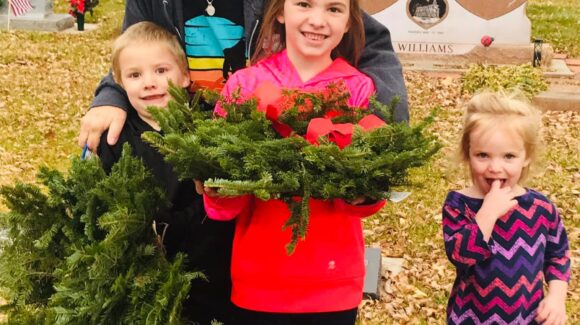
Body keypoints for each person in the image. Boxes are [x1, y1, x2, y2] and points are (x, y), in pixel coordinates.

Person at [201, 0, 386, 324]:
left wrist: (363, 192)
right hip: (259, 283)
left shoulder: (358, 89)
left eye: (334, 9)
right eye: (304, 4)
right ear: (281, 11)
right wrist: (218, 186)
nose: (318, 20)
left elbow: (365, 193)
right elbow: (223, 205)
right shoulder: (245, 86)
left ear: (348, 22)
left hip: (333, 283)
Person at [78, 0, 409, 151]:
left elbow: (370, 43)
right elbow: (135, 46)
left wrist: (384, 134)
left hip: (261, 147)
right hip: (188, 138)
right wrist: (112, 95)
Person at [97, 21, 235, 325]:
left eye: (161, 71)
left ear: (185, 76)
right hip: (144, 278)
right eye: (135, 75)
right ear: (119, 83)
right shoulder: (115, 139)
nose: (150, 83)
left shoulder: (207, 129)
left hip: (209, 273)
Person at [442, 92, 570, 325]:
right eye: (483, 155)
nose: (495, 167)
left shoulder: (540, 208)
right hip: (471, 319)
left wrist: (557, 298)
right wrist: (487, 214)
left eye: (509, 156)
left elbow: (558, 255)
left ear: (526, 157)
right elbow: (460, 256)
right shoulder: (459, 204)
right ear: (467, 155)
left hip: (528, 318)